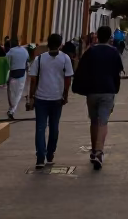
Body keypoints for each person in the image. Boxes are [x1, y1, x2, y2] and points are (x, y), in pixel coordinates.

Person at [74, 25, 124, 170]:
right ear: (110, 37)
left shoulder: (90, 51)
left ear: (97, 36)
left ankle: (93, 151)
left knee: (94, 121)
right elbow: (117, 72)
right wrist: (115, 88)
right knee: (103, 122)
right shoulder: (114, 52)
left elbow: (81, 70)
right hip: (108, 91)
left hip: (92, 91)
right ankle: (99, 152)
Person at [28, 33, 73, 169]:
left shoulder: (39, 59)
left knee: (40, 128)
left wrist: (31, 96)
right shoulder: (65, 59)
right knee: (54, 127)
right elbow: (67, 79)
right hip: (57, 98)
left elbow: (33, 79)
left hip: (41, 98)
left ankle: (40, 158)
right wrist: (65, 95)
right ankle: (50, 154)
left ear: (48, 43)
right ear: (60, 44)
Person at [5, 34, 30, 120]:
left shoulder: (11, 51)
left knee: (11, 92)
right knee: (18, 93)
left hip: (12, 72)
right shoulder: (24, 51)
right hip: (22, 73)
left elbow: (6, 60)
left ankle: (11, 109)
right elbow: (27, 61)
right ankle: (12, 110)